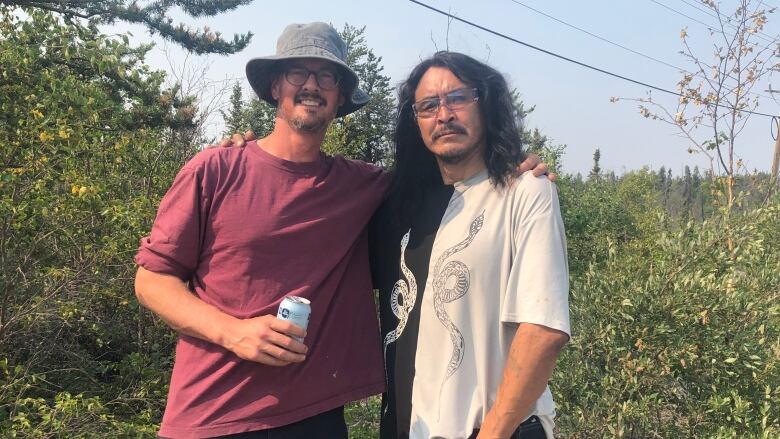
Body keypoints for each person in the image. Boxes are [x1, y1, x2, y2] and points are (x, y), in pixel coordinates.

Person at [136, 22, 552, 438]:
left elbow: (455, 171)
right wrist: (234, 332)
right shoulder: (215, 170)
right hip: (212, 415)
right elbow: (152, 279)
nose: (311, 85)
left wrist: (513, 164)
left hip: (318, 419)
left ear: (340, 96)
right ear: (275, 87)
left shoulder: (365, 186)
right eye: (297, 72)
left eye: (327, 76)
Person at [369, 52, 570, 439]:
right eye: (428, 105)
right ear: (416, 122)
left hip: (495, 430)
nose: (443, 115)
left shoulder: (524, 192)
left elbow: (544, 329)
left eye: (457, 98)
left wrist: (493, 432)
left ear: (486, 103)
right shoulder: (399, 207)